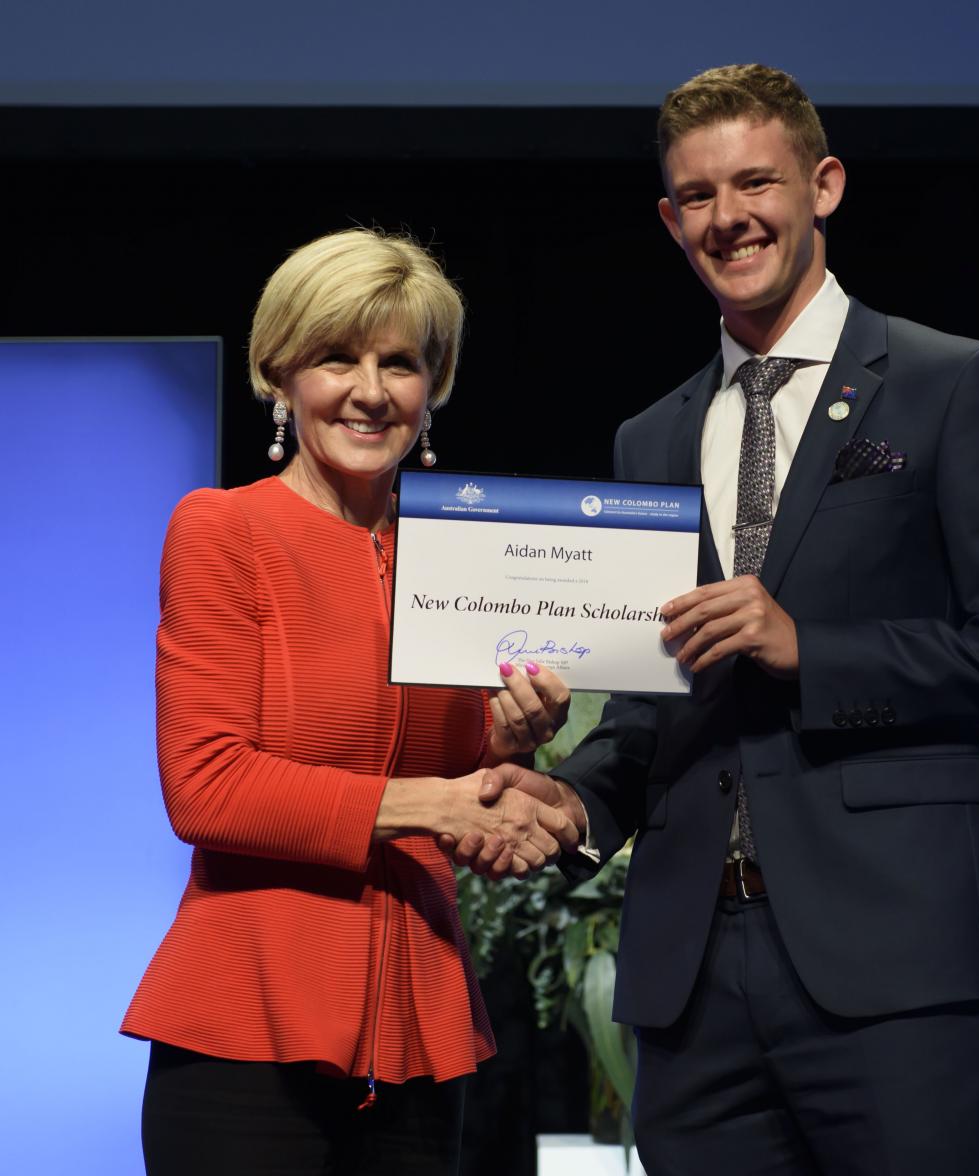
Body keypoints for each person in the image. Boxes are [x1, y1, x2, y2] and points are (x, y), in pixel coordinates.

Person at [461, 65, 979, 1174]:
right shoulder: (648, 440)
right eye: (697, 196)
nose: (729, 217)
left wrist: (812, 649)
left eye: (756, 182)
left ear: (825, 185)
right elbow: (660, 711)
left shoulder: (951, 385)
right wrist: (570, 798)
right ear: (670, 219)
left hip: (901, 970)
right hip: (694, 983)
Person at [121, 227, 580, 1176]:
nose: (371, 390)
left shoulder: (461, 553)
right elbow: (205, 789)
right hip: (246, 1030)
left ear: (433, 385)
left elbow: (454, 788)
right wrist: (430, 803)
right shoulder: (223, 529)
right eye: (338, 357)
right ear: (280, 372)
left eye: (400, 363)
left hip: (418, 1030)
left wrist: (511, 754)